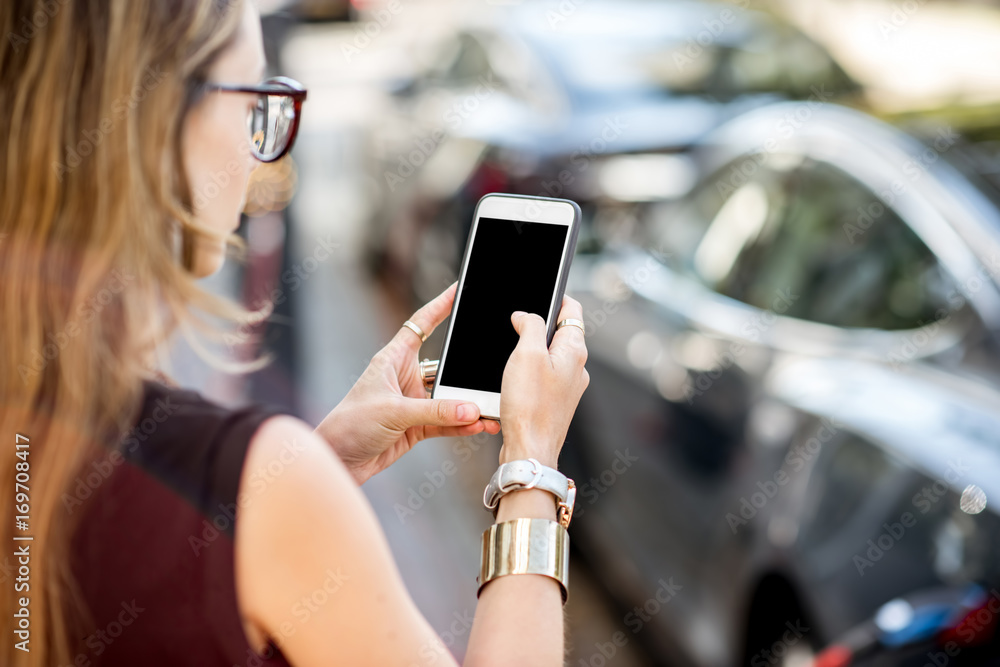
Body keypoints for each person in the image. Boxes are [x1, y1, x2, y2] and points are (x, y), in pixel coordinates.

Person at [0, 1, 590, 665]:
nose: (263, 150)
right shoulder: (250, 486)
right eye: (255, 101)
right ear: (165, 120)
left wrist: (311, 467)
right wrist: (532, 468)